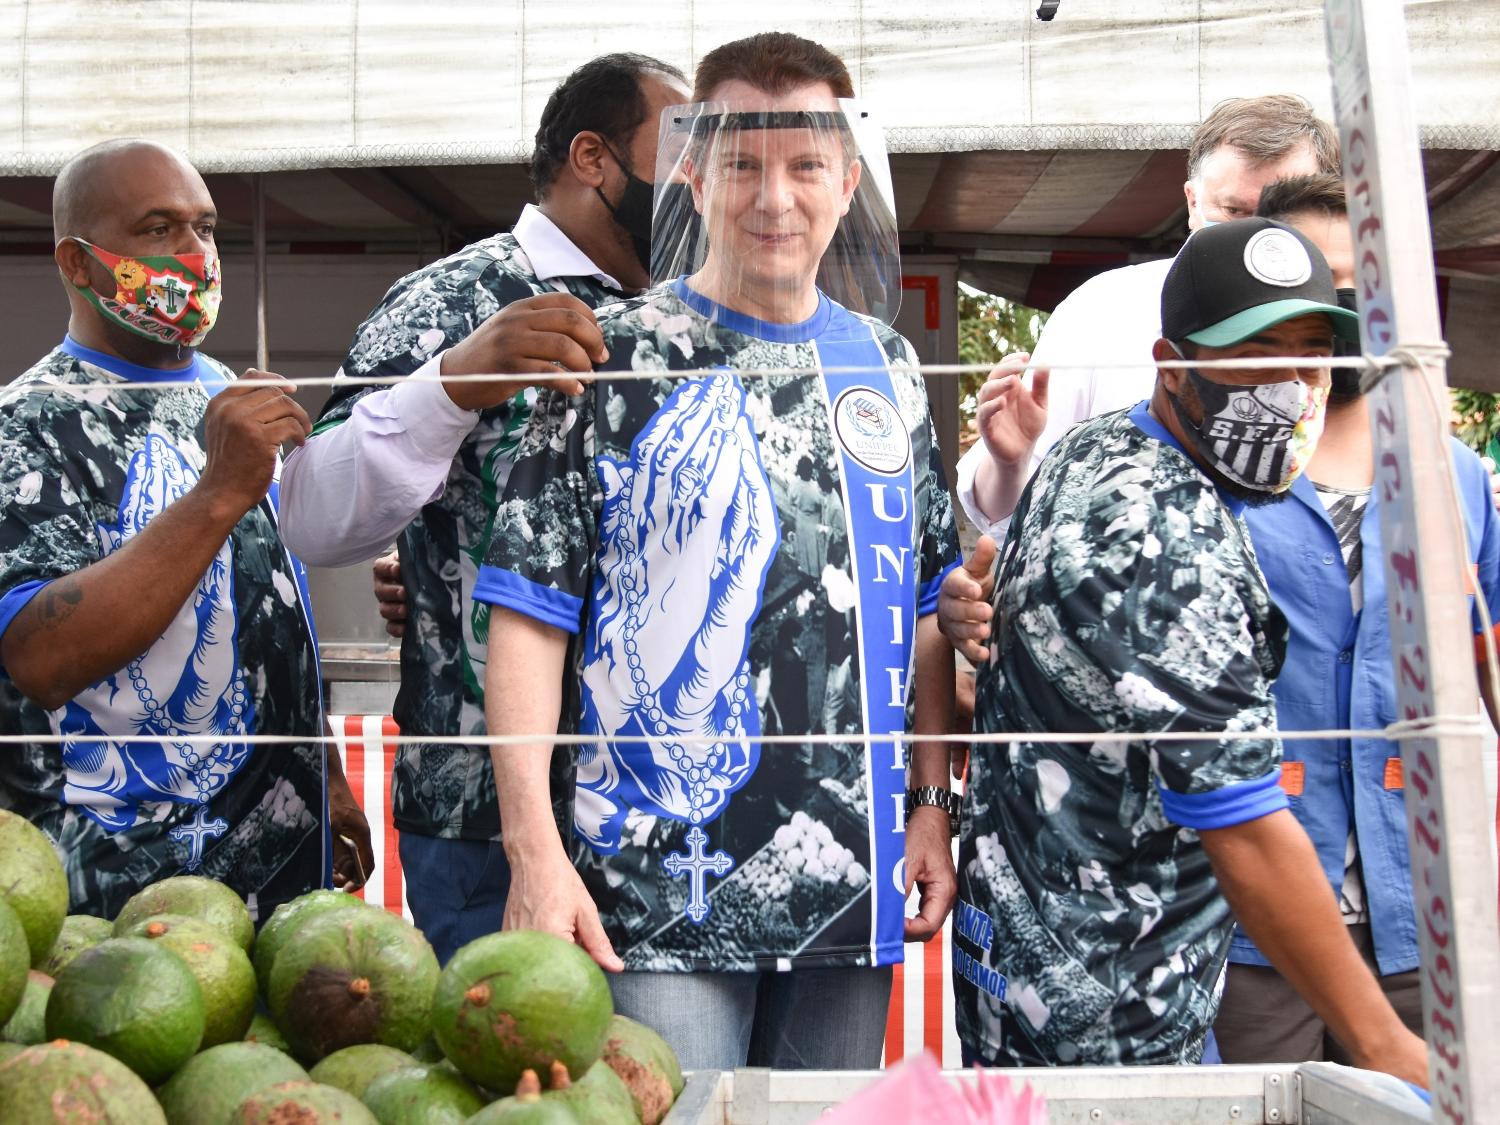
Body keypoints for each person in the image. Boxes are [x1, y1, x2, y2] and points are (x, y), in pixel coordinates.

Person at [476, 32, 960, 1071]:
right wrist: (534, 852)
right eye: (742, 163)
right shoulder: (613, 356)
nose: (773, 198)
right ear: (694, 176)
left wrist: (929, 806)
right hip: (652, 892)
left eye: (805, 166)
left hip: (849, 886)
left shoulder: (886, 366)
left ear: (848, 181)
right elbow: (526, 615)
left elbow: (924, 609)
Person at [942, 217, 1427, 1084]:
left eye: (1312, 357)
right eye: (1256, 355)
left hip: (1030, 980)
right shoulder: (1163, 540)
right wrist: (1389, 1046)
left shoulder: (1098, 446)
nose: (1291, 390)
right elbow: (1244, 823)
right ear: (1171, 364)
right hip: (1113, 1028)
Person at [278, 55, 691, 963]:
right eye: (680, 147)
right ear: (593, 158)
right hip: (482, 821)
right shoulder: (454, 298)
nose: (698, 179)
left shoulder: (689, 316)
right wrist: (452, 382)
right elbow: (311, 513)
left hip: (662, 812)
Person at [0, 139, 371, 919]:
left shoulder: (227, 394)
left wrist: (326, 774)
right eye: (159, 229)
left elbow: (274, 607)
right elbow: (42, 657)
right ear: (77, 261)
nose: (196, 253)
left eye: (205, 227)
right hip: (121, 897)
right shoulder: (27, 427)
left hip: (280, 875)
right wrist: (218, 492)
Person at [1211, 174, 1500, 1061]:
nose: (1343, 308)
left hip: (1425, 923)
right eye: (1318, 285)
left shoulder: (1454, 476)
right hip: (1248, 934)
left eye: (1362, 284)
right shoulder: (1206, 472)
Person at [955, 95, 1339, 537]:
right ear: (1192, 202)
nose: (1252, 235)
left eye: (1277, 218)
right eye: (1234, 211)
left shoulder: (1363, 331)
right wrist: (1011, 465)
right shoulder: (1103, 309)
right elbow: (1011, 515)